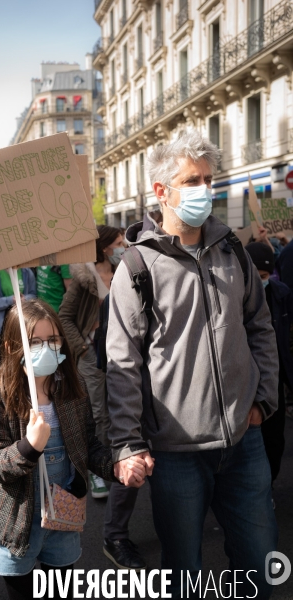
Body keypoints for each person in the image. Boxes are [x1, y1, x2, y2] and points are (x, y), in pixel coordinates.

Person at [106, 131, 279, 599]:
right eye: (191, 180)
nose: (205, 189)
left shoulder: (233, 252)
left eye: (209, 179)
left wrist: (262, 401)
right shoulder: (136, 268)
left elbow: (260, 327)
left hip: (244, 442)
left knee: (261, 566)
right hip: (176, 452)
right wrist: (126, 443)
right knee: (185, 573)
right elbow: (122, 364)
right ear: (162, 191)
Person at [0, 298, 125, 600]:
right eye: (35, 342)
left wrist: (116, 465)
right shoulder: (0, 398)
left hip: (63, 516)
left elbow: (89, 446)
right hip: (18, 522)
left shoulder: (71, 388)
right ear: (11, 347)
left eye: (53, 340)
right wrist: (29, 447)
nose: (47, 348)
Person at [59, 225, 124, 499]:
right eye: (119, 242)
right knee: (98, 413)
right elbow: (64, 316)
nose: (123, 246)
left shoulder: (123, 268)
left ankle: (118, 460)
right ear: (105, 245)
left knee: (122, 406)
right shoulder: (84, 277)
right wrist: (83, 350)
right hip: (92, 353)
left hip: (120, 351)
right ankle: (96, 471)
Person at [245, 242, 293, 485]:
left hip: (273, 377)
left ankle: (267, 484)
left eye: (264, 276)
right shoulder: (235, 295)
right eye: (256, 275)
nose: (260, 281)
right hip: (244, 379)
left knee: (274, 438)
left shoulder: (282, 294)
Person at [0, 268, 36, 354]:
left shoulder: (27, 272)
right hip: (2, 325)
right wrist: (10, 300)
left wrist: (24, 299)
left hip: (23, 322)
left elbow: (33, 295)